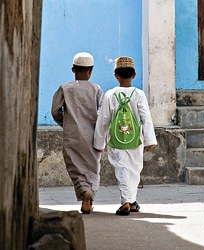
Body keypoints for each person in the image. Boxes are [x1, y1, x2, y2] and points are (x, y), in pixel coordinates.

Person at [93, 56, 157, 215]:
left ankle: (127, 202)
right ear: (134, 75)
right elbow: (145, 118)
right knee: (135, 170)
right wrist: (150, 139)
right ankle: (131, 201)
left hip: (116, 140)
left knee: (122, 169)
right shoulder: (139, 94)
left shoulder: (110, 94)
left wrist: (99, 143)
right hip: (135, 139)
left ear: (116, 75)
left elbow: (103, 120)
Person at [51, 52, 104, 214]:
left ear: (73, 69)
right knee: (93, 167)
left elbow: (55, 111)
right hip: (93, 136)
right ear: (90, 71)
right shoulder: (96, 89)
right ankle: (90, 192)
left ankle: (83, 191)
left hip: (72, 135)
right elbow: (103, 114)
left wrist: (65, 123)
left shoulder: (65, 88)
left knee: (75, 166)